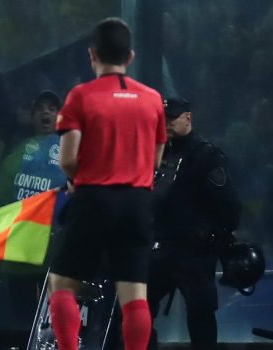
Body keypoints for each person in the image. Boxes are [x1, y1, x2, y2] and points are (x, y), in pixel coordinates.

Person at [48, 18, 166, 350]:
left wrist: (79, 179)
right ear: (130, 57)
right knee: (134, 294)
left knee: (62, 283)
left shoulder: (80, 97)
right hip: (138, 203)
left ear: (92, 55)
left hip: (93, 198)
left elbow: (68, 159)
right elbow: (156, 161)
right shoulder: (153, 99)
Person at [148, 98, 240, 350]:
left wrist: (216, 235)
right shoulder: (157, 153)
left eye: (171, 117)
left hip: (195, 251)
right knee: (138, 307)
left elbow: (230, 206)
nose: (165, 122)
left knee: (200, 316)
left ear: (187, 118)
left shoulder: (206, 155)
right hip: (162, 246)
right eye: (162, 117)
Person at [0, 29, 66, 205]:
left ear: (59, 116)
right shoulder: (16, 136)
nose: (46, 112)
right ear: (32, 117)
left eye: (52, 108)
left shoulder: (70, 147)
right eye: (40, 108)